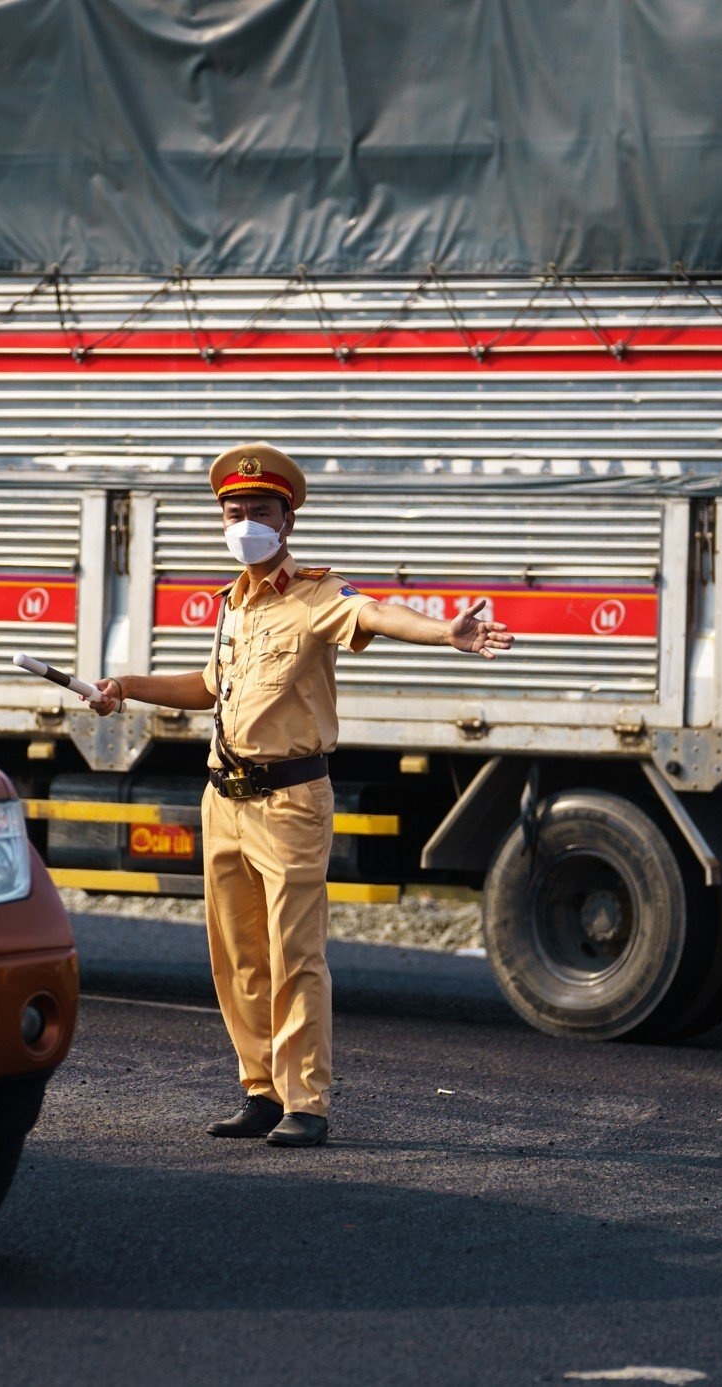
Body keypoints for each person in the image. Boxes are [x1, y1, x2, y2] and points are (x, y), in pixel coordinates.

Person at [86, 442, 512, 1147]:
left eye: (259, 510)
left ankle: (305, 1101)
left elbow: (374, 614)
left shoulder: (316, 595)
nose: (244, 520)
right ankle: (260, 1087)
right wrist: (126, 688)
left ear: (288, 520)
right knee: (237, 954)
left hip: (290, 802)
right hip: (223, 799)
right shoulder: (232, 604)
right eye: (234, 510)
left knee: (295, 954)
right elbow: (208, 687)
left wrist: (445, 632)